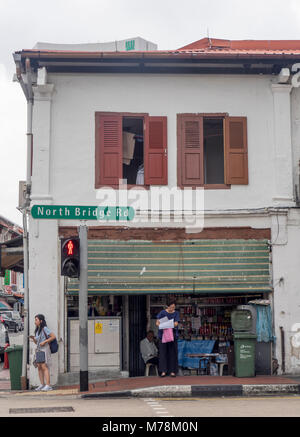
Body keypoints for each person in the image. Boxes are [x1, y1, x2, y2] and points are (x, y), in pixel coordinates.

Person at [29, 314, 56, 391]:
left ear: (41, 321)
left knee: (44, 366)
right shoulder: (37, 330)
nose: (35, 322)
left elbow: (53, 336)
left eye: (36, 320)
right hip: (39, 349)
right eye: (35, 320)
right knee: (39, 367)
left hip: (45, 349)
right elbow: (37, 342)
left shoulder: (45, 328)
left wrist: (45, 341)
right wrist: (33, 338)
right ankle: (42, 384)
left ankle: (48, 385)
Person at [156, 301, 180, 377]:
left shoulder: (176, 313)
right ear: (167, 306)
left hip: (173, 336)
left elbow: (176, 323)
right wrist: (168, 324)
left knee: (173, 353)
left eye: (174, 307)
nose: (173, 309)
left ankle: (173, 371)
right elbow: (157, 323)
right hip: (162, 336)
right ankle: (163, 371)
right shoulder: (162, 313)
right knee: (163, 354)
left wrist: (166, 324)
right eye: (171, 307)